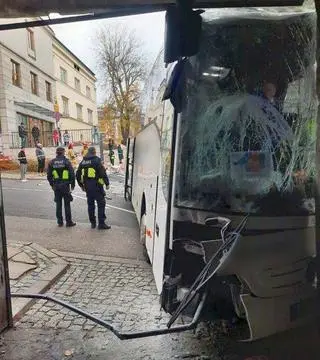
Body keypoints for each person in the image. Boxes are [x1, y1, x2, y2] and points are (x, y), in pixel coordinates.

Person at [76, 146, 111, 230]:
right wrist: (107, 183)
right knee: (101, 204)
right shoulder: (96, 160)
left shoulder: (83, 162)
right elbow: (102, 172)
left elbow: (77, 174)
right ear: (94, 152)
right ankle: (101, 224)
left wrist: (81, 185)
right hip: (97, 187)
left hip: (87, 187)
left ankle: (93, 223)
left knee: (90, 205)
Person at [47, 147, 76, 227]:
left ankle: (60, 222)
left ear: (57, 153)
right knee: (67, 204)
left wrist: (52, 185)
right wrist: (72, 185)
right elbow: (72, 174)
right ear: (63, 152)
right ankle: (69, 222)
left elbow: (49, 175)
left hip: (56, 186)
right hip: (65, 186)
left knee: (58, 204)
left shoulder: (52, 162)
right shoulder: (66, 162)